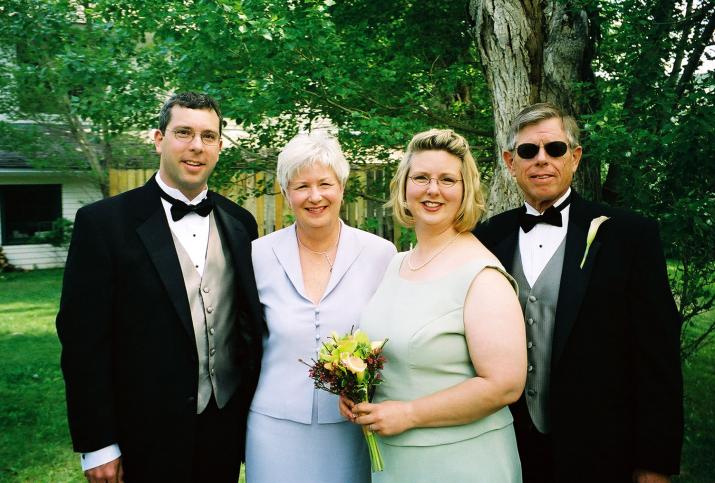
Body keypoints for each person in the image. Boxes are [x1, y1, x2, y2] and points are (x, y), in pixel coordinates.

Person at [56, 92, 265, 482]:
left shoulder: (241, 223)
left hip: (224, 429)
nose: (196, 147)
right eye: (183, 132)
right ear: (158, 138)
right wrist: (98, 443)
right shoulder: (103, 224)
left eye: (208, 136)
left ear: (220, 146)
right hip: (144, 435)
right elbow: (83, 343)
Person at [474, 103, 683, 482]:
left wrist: (655, 461)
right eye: (527, 151)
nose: (541, 160)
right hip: (507, 447)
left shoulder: (628, 235)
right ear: (510, 161)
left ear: (574, 157)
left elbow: (658, 357)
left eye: (554, 149)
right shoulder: (486, 238)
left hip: (600, 449)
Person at [342, 129, 526, 482]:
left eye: (447, 179)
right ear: (404, 187)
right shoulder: (396, 264)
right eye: (421, 177)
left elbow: (504, 384)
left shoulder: (482, 275)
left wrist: (410, 414)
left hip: (462, 462)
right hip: (395, 462)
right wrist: (356, 394)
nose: (432, 190)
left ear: (465, 190)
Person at [244, 131, 396, 483]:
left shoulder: (380, 254)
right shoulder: (257, 255)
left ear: (342, 187)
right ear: (285, 193)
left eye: (325, 184)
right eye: (301, 187)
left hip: (352, 426)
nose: (315, 197)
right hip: (273, 425)